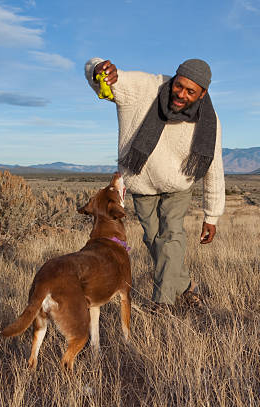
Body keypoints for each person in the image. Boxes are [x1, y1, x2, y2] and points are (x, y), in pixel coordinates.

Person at [84, 57, 225, 311]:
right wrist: (98, 70)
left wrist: (212, 215)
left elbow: (214, 168)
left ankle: (161, 304)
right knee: (154, 242)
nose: (180, 94)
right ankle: (188, 287)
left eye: (190, 91)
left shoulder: (209, 122)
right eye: (178, 86)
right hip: (142, 184)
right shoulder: (146, 88)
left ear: (203, 93)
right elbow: (102, 79)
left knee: (171, 238)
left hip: (178, 186)